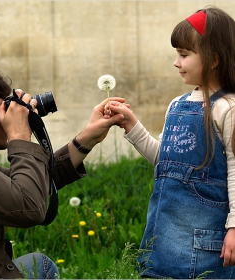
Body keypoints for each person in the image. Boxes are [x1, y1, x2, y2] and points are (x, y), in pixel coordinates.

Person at [0, 64, 126, 279]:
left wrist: (86, 138)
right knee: (41, 266)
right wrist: (19, 136)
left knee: (39, 263)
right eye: (2, 108)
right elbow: (27, 205)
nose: (8, 115)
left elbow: (28, 183)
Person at [105, 6, 235, 279]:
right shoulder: (177, 105)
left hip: (207, 248)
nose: (176, 62)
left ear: (213, 59)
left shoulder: (227, 109)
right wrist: (130, 124)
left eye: (184, 55)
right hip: (163, 238)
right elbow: (164, 161)